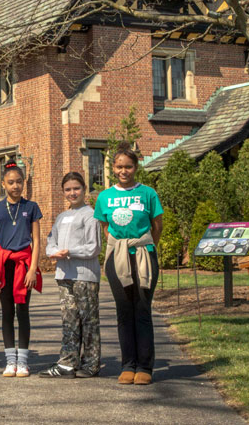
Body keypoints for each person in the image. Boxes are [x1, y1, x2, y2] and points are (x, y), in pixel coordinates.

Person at [93, 146, 163, 386]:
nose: (124, 171)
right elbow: (105, 227)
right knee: (124, 311)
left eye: (128, 166)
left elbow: (157, 225)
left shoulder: (148, 193)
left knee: (142, 309)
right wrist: (117, 247)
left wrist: (144, 246)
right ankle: (128, 364)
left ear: (136, 167)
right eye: (119, 166)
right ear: (113, 169)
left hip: (144, 254)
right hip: (117, 257)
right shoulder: (104, 197)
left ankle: (145, 366)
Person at [39, 172, 102, 379]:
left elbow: (93, 248)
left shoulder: (90, 215)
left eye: (76, 188)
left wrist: (70, 252)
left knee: (88, 320)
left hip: (84, 275)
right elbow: (51, 241)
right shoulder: (61, 217)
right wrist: (52, 251)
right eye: (68, 189)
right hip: (64, 274)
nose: (72, 193)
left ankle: (91, 363)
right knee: (69, 320)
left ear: (84, 189)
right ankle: (67, 363)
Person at [0, 161, 42, 377]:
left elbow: (36, 241)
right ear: (3, 184)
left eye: (19, 182)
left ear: (24, 183)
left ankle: (23, 362)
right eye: (11, 182)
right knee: (7, 312)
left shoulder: (31, 207)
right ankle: (10, 361)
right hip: (4, 265)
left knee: (23, 312)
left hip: (24, 265)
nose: (15, 186)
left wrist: (32, 269)